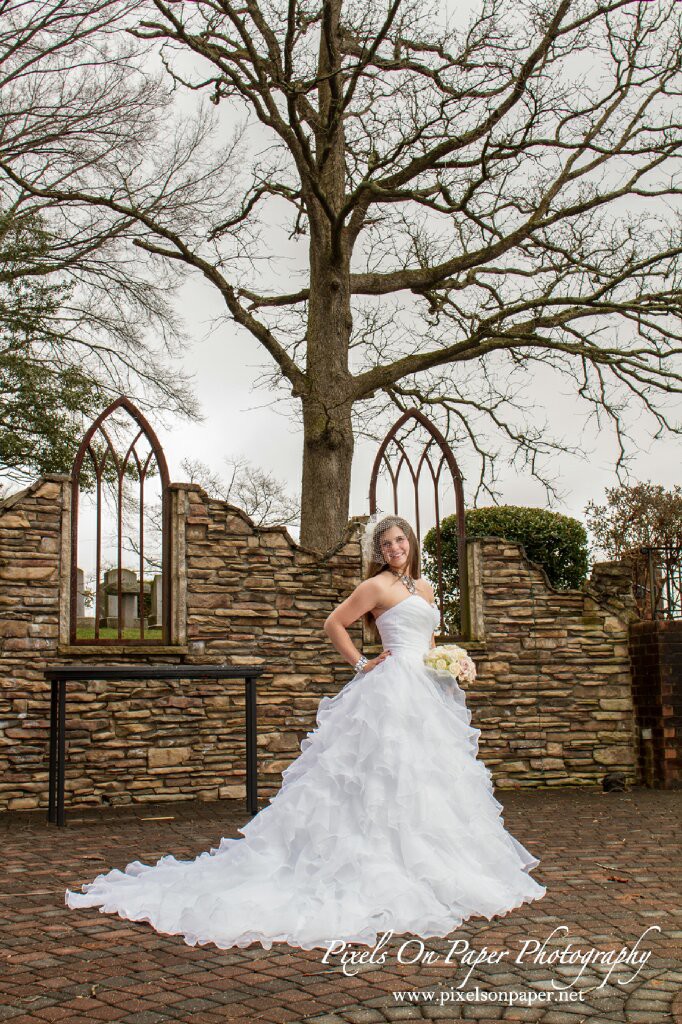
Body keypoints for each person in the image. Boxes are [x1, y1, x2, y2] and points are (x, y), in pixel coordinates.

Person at [65, 514, 546, 951]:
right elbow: (333, 623)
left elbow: (430, 638)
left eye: (400, 540)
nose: (395, 547)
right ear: (379, 550)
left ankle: (436, 864)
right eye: (387, 542)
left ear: (410, 543)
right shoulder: (375, 587)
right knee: (377, 771)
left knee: (429, 777)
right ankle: (368, 861)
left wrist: (448, 663)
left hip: (426, 688)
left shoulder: (423, 587)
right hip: (390, 687)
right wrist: (361, 663)